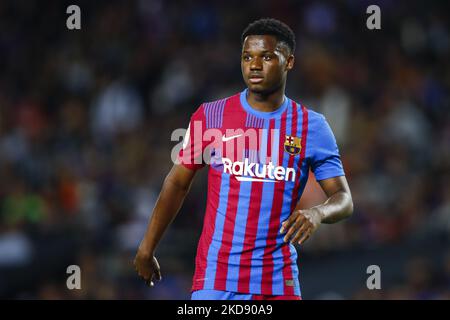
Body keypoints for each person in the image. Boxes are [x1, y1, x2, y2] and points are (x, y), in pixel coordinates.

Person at [134, 18, 353, 300]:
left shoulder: (312, 126)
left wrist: (317, 213)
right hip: (217, 280)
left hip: (277, 281)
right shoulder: (211, 115)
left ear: (289, 62)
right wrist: (147, 247)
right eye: (247, 57)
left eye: (267, 57)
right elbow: (177, 183)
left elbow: (344, 199)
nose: (255, 65)